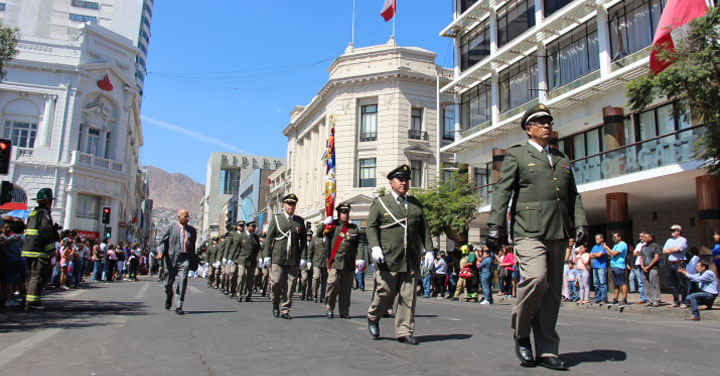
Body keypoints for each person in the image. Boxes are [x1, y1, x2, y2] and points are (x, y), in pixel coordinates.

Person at [486, 104, 588, 370]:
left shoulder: (562, 158)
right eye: (540, 122)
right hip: (528, 230)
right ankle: (521, 332)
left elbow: (573, 195)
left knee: (553, 292)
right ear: (528, 128)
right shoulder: (517, 155)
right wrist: (495, 225)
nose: (546, 126)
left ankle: (547, 350)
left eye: (549, 122)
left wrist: (580, 223)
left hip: (558, 230)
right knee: (536, 278)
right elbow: (502, 191)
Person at [366, 164, 434, 345]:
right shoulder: (380, 203)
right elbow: (371, 228)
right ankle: (373, 316)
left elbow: (424, 230)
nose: (404, 183)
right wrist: (375, 247)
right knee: (385, 293)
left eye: (406, 180)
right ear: (391, 183)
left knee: (408, 297)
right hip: (388, 257)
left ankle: (404, 331)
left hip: (410, 258)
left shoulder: (415, 204)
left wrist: (429, 251)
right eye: (400, 179)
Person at [262, 193, 306, 319]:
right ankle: (275, 303)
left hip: (293, 258)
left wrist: (303, 257)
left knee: (290, 286)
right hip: (278, 256)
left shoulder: (299, 221)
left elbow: (303, 242)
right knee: (275, 282)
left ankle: (285, 309)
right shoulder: (276, 219)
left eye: (293, 204)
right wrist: (266, 255)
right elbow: (269, 238)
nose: (291, 206)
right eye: (289, 204)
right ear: (284, 204)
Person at [22, 188, 61, 310]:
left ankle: (29, 300)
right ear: (49, 201)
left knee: (31, 276)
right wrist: (51, 250)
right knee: (38, 276)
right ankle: (31, 303)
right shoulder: (44, 214)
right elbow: (45, 233)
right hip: (39, 251)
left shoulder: (33, 213)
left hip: (29, 250)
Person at [324, 202, 361, 319]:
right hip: (335, 261)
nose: (345, 215)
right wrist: (325, 223)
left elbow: (359, 244)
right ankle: (329, 308)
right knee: (332, 285)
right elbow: (321, 233)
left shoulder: (354, 228)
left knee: (346, 289)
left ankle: (344, 311)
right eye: (343, 212)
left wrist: (360, 258)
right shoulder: (333, 225)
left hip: (348, 263)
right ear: (338, 213)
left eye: (347, 212)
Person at [158, 209, 197, 315]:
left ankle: (179, 305)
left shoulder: (192, 231)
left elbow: (192, 247)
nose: (187, 218)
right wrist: (160, 252)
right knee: (168, 283)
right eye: (185, 216)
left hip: (184, 259)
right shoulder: (170, 227)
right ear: (179, 217)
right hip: (171, 259)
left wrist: (193, 260)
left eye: (188, 216)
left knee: (183, 281)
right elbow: (162, 242)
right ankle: (169, 296)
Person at [1, 218, 26, 307]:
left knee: (9, 281)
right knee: (25, 279)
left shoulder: (9, 239)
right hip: (22, 259)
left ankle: (8, 299)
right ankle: (25, 297)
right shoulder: (24, 238)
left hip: (10, 260)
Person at [663, 224, 688, 307]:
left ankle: (684, 301)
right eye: (672, 230)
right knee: (673, 283)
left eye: (674, 230)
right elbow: (664, 251)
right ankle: (676, 301)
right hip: (671, 263)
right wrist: (672, 250)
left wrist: (670, 250)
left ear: (679, 231)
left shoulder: (683, 240)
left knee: (682, 283)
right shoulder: (669, 240)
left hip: (679, 262)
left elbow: (677, 249)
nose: (672, 232)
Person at [237, 221, 260, 302]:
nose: (254, 228)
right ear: (248, 227)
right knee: (241, 276)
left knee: (250, 279)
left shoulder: (255, 237)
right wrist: (232, 258)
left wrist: (259, 258)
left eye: (254, 227)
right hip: (242, 259)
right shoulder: (242, 236)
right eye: (252, 226)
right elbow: (236, 248)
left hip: (252, 260)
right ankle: (239, 294)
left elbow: (258, 249)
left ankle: (248, 296)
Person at [605, 232, 628, 307]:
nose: (613, 239)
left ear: (619, 237)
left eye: (615, 237)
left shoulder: (622, 245)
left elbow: (614, 253)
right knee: (616, 283)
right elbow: (611, 254)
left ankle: (624, 298)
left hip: (619, 266)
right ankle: (615, 298)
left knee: (622, 283)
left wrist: (607, 247)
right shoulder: (616, 245)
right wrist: (605, 249)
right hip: (614, 265)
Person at [640, 232, 662, 307]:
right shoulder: (643, 247)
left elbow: (656, 257)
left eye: (646, 237)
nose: (644, 239)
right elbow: (641, 257)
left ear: (650, 238)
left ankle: (656, 300)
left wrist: (649, 266)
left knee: (654, 284)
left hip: (653, 268)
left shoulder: (655, 246)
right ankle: (649, 300)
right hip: (644, 268)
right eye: (644, 237)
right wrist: (643, 266)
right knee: (646, 284)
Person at [309, 225, 328, 303]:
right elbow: (310, 250)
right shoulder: (315, 239)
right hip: (316, 261)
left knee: (325, 280)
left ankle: (323, 295)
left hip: (326, 262)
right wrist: (308, 261)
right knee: (316, 277)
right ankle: (314, 294)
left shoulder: (328, 238)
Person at [590, 234, 608, 304]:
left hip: (602, 267)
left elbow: (599, 255)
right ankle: (597, 298)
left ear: (602, 239)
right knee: (596, 284)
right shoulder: (594, 247)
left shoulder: (603, 246)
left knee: (602, 283)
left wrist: (594, 254)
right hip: (595, 267)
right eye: (596, 239)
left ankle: (604, 298)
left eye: (598, 238)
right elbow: (590, 255)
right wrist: (595, 254)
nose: (596, 240)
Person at [631, 232, 647, 304]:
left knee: (647, 281)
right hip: (638, 264)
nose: (640, 238)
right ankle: (643, 298)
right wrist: (639, 252)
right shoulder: (639, 245)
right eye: (640, 236)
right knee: (640, 282)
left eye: (642, 236)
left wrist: (639, 252)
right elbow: (634, 253)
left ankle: (650, 297)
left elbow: (644, 253)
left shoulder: (647, 245)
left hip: (645, 264)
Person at [299, 229, 314, 300]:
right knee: (304, 278)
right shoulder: (303, 243)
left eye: (310, 235)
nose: (309, 237)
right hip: (304, 263)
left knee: (310, 279)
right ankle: (303, 293)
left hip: (312, 262)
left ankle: (309, 294)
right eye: (308, 235)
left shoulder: (313, 242)